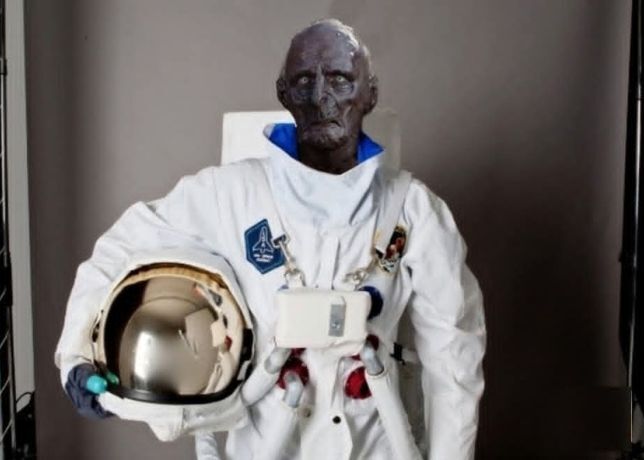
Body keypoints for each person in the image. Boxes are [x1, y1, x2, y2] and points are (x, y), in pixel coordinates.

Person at [55, 18, 486, 460]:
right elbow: (122, 249)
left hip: (379, 444)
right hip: (264, 442)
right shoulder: (230, 196)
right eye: (304, 81)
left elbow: (454, 357)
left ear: (370, 94)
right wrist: (78, 356)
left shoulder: (413, 211)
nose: (321, 97)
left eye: (340, 79)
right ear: (283, 93)